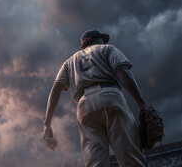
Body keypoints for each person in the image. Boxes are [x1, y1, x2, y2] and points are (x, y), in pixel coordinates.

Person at [43, 29, 147, 167]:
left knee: (95, 163)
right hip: (110, 95)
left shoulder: (69, 62)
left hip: (84, 105)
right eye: (102, 39)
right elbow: (123, 73)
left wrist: (47, 124)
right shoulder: (107, 48)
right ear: (95, 39)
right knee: (132, 160)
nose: (104, 41)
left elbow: (56, 89)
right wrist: (141, 104)